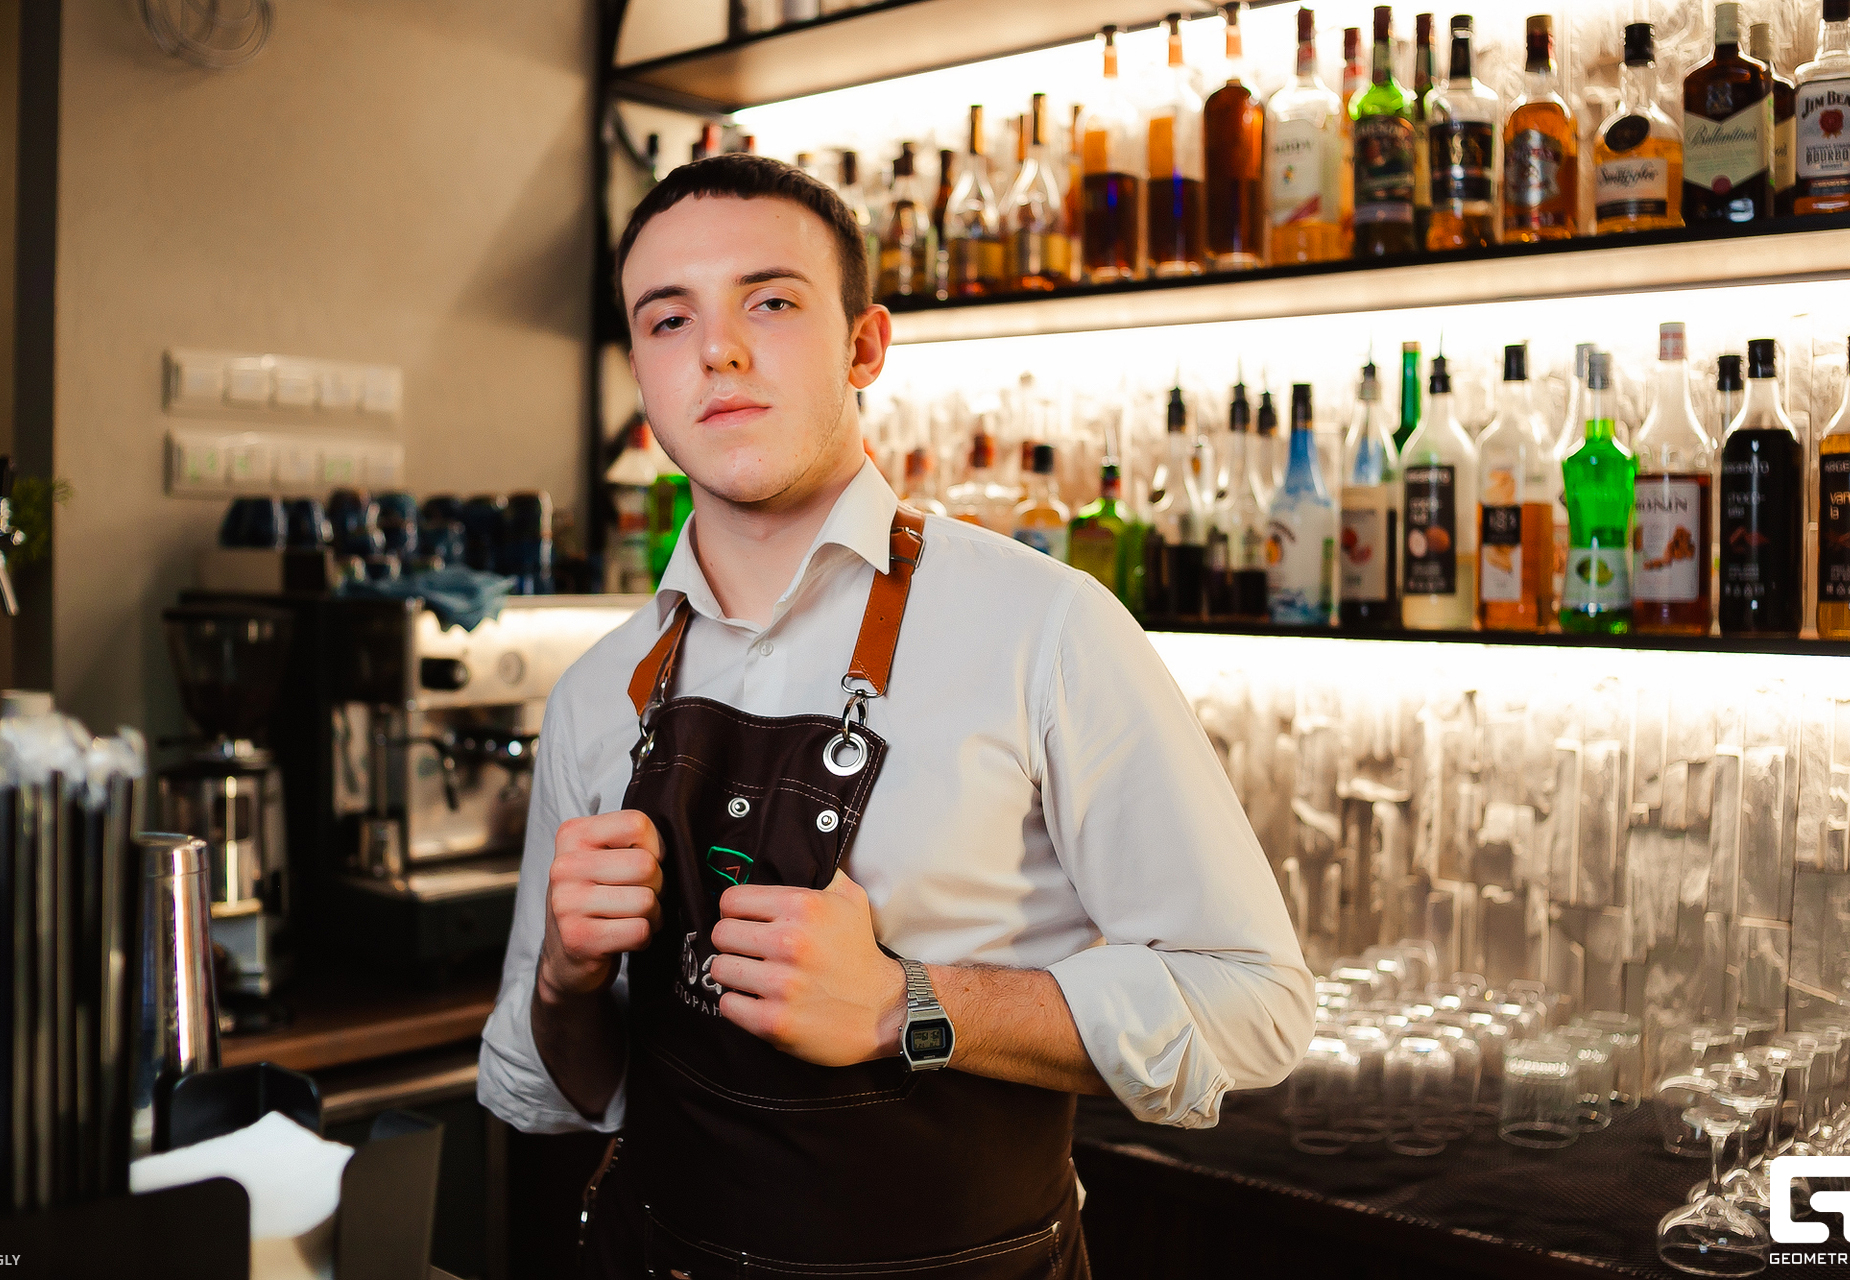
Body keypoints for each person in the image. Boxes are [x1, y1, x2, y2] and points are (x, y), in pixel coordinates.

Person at [476, 153, 1313, 1278]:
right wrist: (564, 984)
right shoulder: (594, 693)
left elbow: (1253, 1004)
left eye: (770, 303)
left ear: (865, 345)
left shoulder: (1044, 628)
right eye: (670, 320)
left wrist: (907, 1004)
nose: (718, 351)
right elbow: (576, 1091)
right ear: (641, 370)